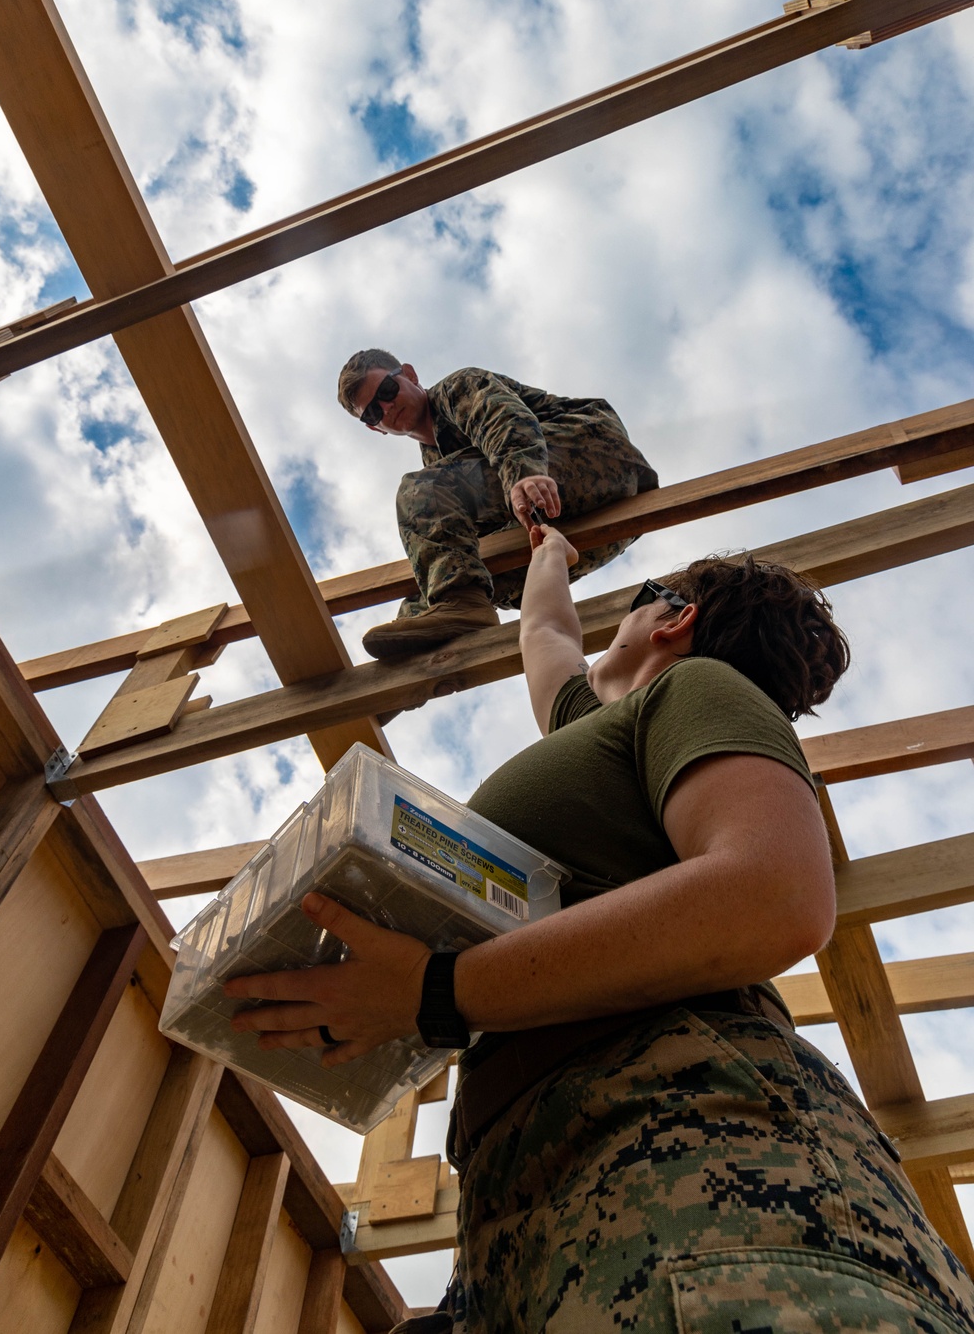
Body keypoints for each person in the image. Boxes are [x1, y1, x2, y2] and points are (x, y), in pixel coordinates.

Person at [224, 529, 974, 1333]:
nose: (615, 615)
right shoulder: (591, 722)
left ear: (674, 620)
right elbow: (546, 636)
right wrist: (549, 550)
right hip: (536, 1178)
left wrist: (434, 992)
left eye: (641, 591)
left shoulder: (699, 689)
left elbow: (775, 894)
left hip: (688, 1134)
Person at [337, 350, 657, 658]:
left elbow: (501, 419)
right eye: (374, 412)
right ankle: (401, 676)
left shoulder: (456, 390)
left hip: (589, 452)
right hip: (581, 523)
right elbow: (452, 553)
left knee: (422, 493)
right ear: (374, 427)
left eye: (388, 390)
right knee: (458, 579)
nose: (387, 407)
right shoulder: (441, 470)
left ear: (409, 374)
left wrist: (523, 473)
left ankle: (458, 603)